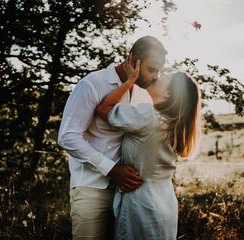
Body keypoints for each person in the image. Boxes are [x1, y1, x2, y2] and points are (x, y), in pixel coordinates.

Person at [57, 36, 167, 240]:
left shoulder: (144, 96)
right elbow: (68, 137)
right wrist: (113, 169)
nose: (155, 76)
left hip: (129, 194)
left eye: (159, 71)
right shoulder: (92, 84)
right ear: (133, 59)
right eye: (152, 69)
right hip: (91, 188)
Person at [95, 55, 202, 240]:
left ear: (169, 94)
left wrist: (129, 81)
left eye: (162, 79)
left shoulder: (149, 117)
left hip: (141, 205)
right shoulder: (173, 125)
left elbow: (104, 108)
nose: (155, 78)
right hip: (164, 202)